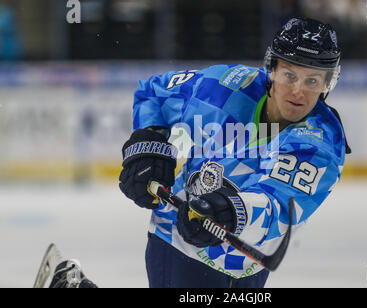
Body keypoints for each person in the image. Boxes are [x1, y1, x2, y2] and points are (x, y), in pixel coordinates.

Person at [119, 17, 351, 288]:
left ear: (326, 84)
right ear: (272, 70)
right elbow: (153, 93)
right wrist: (149, 144)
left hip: (247, 263)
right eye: (290, 75)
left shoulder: (322, 141)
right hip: (178, 241)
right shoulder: (222, 86)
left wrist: (231, 211)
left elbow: (278, 206)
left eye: (312, 80)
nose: (298, 91)